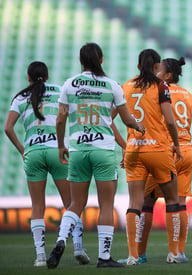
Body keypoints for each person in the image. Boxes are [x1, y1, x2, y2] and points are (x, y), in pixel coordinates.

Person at [46, 42, 145, 269]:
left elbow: (60, 119)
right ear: (101, 60)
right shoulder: (112, 86)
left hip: (78, 150)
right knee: (106, 205)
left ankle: (61, 240)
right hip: (103, 151)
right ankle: (104, 257)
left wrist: (61, 145)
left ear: (81, 62)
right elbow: (127, 119)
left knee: (76, 203)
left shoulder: (69, 84)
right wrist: (140, 127)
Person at [4, 61, 89, 267]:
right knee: (72, 203)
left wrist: (23, 149)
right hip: (56, 150)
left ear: (28, 77)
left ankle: (40, 256)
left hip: (33, 152)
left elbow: (8, 128)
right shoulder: (59, 91)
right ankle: (78, 247)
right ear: (48, 75)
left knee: (37, 206)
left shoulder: (20, 97)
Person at [133, 57, 192, 264]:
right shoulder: (187, 95)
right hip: (185, 153)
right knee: (179, 204)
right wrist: (191, 147)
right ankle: (178, 253)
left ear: (167, 75)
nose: (156, 74)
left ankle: (139, 254)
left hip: (164, 150)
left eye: (159, 72)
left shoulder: (157, 91)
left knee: (148, 202)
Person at [120, 49, 183, 265]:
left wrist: (123, 144)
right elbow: (170, 121)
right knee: (173, 200)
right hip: (158, 150)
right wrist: (176, 144)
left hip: (133, 150)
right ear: (157, 67)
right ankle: (174, 253)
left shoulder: (126, 86)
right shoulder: (161, 86)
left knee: (135, 203)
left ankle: (132, 255)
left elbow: (110, 118)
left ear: (138, 66)